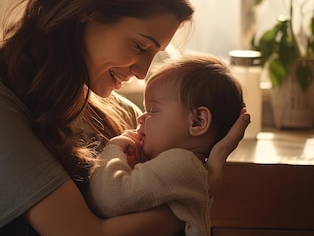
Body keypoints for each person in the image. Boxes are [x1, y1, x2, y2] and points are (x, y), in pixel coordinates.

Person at [0, 0, 250, 236]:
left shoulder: (123, 116)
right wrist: (201, 191)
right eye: (140, 47)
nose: (142, 72)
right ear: (89, 10)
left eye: (154, 54)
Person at [88, 53, 245, 236]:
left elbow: (109, 199)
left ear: (197, 122)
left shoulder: (181, 163)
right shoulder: (188, 168)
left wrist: (114, 149)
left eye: (153, 110)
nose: (140, 118)